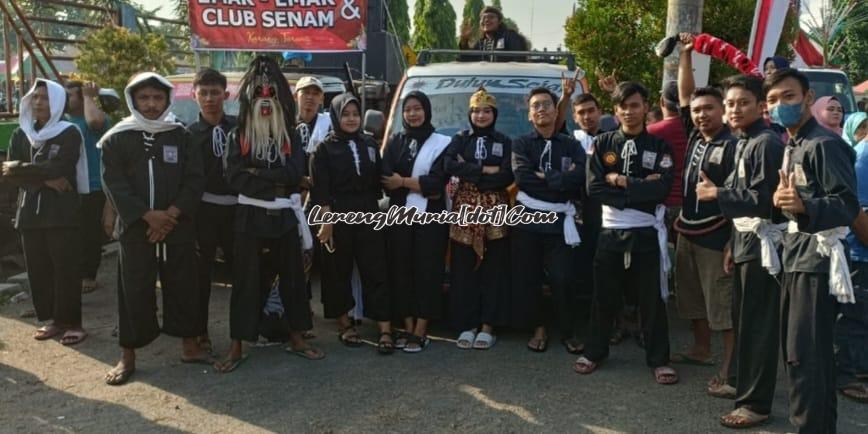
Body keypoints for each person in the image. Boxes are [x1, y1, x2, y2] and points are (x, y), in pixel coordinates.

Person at [215, 56, 323, 373]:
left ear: (280, 100)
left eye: (271, 94)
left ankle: (297, 338)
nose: (265, 100)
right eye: (259, 94)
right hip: (249, 217)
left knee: (293, 278)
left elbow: (295, 173)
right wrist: (275, 181)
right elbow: (235, 177)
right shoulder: (238, 135)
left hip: (284, 216)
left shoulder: (290, 136)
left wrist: (258, 173)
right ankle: (236, 346)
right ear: (250, 100)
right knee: (245, 281)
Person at [100, 72, 208, 385]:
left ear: (167, 100)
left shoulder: (181, 135)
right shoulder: (116, 138)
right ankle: (128, 355)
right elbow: (113, 183)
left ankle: (190, 346)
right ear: (133, 100)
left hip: (177, 226)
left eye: (157, 98)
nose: (151, 104)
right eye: (144, 98)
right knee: (132, 289)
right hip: (136, 228)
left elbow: (194, 179)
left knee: (184, 285)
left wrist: (170, 216)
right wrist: (148, 216)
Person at [768, 68, 859, 433]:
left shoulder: (824, 144)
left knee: (807, 357)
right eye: (772, 100)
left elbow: (847, 205)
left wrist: (805, 206)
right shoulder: (793, 143)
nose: (780, 105)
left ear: (807, 98)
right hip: (796, 255)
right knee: (801, 356)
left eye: (788, 96)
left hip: (816, 262)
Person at [697, 73, 785, 429]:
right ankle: (741, 384)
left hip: (765, 247)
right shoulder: (744, 140)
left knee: (759, 326)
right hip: (746, 242)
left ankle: (756, 403)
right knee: (745, 321)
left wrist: (717, 194)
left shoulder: (766, 143)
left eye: (743, 103)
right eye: (730, 103)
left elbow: (766, 200)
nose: (734, 109)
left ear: (761, 106)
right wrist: (734, 242)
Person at [575, 82, 677, 385]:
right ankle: (595, 351)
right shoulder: (602, 144)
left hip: (646, 231)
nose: (629, 112)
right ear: (615, 110)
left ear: (646, 107)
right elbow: (594, 188)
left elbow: (662, 188)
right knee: (603, 295)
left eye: (634, 105)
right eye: (623, 106)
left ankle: (659, 359)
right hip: (611, 231)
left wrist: (623, 182)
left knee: (651, 299)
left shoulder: (660, 147)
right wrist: (640, 188)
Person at [670, 34, 737, 397]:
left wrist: (733, 243)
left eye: (709, 108)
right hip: (688, 230)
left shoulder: (735, 145)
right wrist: (685, 55)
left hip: (718, 236)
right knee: (691, 297)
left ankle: (730, 369)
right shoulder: (695, 136)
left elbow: (744, 200)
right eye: (697, 110)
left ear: (723, 110)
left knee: (722, 307)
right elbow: (686, 94)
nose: (701, 114)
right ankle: (700, 348)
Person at [3, 79, 87, 346]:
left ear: (59, 102)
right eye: (35, 97)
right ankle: (53, 320)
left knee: (65, 268)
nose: (39, 102)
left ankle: (73, 323)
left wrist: (22, 169)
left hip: (61, 212)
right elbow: (8, 174)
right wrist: (44, 180)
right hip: (29, 212)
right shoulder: (21, 133)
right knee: (39, 269)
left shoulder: (69, 132)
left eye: (46, 98)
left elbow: (61, 167)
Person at [310, 92, 395, 354]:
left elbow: (381, 179)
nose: (351, 119)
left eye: (355, 114)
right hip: (338, 214)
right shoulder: (324, 149)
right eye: (345, 114)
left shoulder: (369, 144)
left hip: (368, 211)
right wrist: (326, 222)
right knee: (338, 271)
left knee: (376, 269)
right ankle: (345, 324)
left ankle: (385, 328)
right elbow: (320, 189)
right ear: (336, 116)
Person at [511, 87, 585, 354]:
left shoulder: (571, 145)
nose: (541, 109)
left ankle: (567, 331)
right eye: (535, 106)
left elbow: (580, 178)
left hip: (559, 222)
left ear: (557, 112)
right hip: (527, 220)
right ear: (529, 115)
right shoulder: (521, 144)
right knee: (528, 277)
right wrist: (560, 181)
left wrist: (547, 177)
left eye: (546, 104)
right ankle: (538, 328)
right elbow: (523, 178)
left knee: (562, 278)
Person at [381, 91, 451, 353]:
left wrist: (403, 182)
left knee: (427, 269)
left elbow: (437, 182)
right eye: (408, 109)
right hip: (399, 215)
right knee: (401, 268)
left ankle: (421, 328)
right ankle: (407, 324)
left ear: (427, 111)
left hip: (431, 218)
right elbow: (385, 179)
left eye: (418, 108)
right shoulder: (395, 141)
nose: (413, 114)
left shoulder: (442, 143)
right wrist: (419, 185)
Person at [444, 88, 513, 350]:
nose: (481, 116)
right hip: (465, 208)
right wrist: (485, 169)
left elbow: (507, 175)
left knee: (494, 268)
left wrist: (470, 171)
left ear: (494, 114)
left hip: (495, 208)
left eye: (486, 111)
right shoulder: (460, 139)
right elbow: (449, 165)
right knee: (463, 268)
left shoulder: (505, 141)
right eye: (476, 111)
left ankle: (488, 326)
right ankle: (467, 324)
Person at [188, 68, 236, 355]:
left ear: (225, 95)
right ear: (194, 95)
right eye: (203, 93)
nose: (209, 98)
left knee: (242, 273)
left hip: (237, 210)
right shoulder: (187, 134)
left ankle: (243, 332)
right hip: (202, 212)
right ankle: (199, 331)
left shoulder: (240, 128)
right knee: (199, 277)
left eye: (215, 92)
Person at [64, 80, 110, 295]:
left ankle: (88, 275)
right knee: (72, 233)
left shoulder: (95, 118)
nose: (66, 100)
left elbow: (95, 122)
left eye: (71, 95)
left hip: (92, 186)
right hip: (68, 186)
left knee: (90, 233)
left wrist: (89, 96)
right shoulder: (63, 121)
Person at [841, 112, 868, 403]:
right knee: (856, 317)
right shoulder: (863, 155)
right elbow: (856, 209)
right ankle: (852, 374)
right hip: (860, 251)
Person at [648, 80, 688, 227]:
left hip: (661, 205)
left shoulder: (651, 132)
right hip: (691, 204)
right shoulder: (698, 130)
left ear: (662, 102)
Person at [458, 6, 528, 62]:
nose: (486, 20)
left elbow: (519, 60)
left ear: (499, 22)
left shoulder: (510, 36)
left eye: (491, 17)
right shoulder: (480, 43)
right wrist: (464, 40)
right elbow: (467, 60)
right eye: (483, 18)